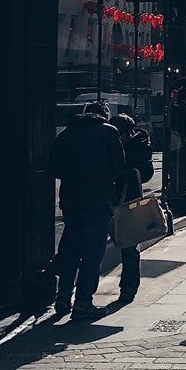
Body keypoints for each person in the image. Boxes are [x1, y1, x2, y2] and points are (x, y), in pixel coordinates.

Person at [50, 100, 125, 320]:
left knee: (71, 249)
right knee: (92, 254)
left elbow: (54, 167)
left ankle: (63, 296)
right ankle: (83, 302)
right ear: (104, 115)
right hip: (98, 202)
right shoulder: (109, 132)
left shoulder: (66, 134)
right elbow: (118, 167)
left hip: (71, 202)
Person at [111, 112, 156, 305]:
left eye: (119, 134)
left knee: (129, 246)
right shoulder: (112, 144)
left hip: (128, 201)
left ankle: (128, 288)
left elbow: (146, 173)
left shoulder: (138, 146)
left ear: (128, 134)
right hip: (106, 199)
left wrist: (126, 173)